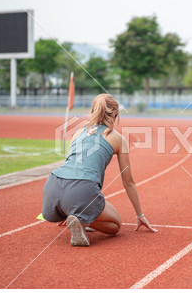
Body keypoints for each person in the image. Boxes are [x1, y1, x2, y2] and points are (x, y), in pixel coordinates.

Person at [42, 94, 158, 246]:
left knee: (79, 200)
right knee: (116, 226)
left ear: (93, 111)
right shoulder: (118, 139)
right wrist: (139, 214)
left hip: (53, 185)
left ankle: (75, 216)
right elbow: (128, 181)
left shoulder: (77, 133)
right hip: (81, 189)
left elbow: (70, 165)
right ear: (115, 114)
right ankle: (79, 219)